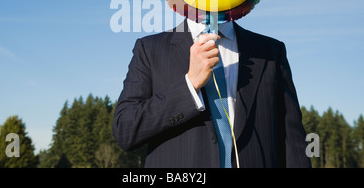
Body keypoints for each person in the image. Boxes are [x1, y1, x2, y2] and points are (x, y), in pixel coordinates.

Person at [112, 17, 311, 168]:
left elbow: (293, 142)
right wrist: (190, 85)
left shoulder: (271, 51)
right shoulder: (150, 49)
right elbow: (126, 130)